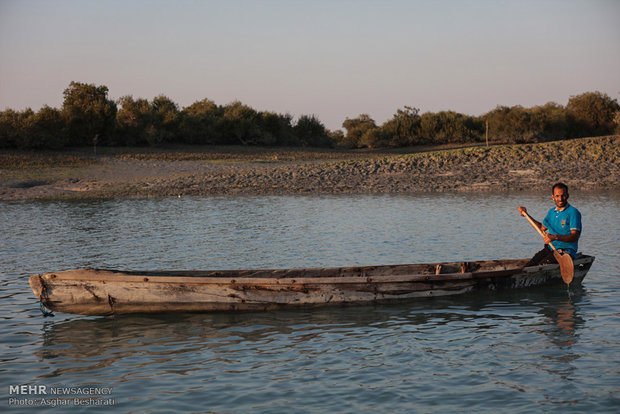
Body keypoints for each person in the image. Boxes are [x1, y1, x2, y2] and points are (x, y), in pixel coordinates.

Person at [518, 183, 582, 266]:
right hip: (551, 248)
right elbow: (541, 228)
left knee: (541, 266)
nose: (560, 199)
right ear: (553, 197)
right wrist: (527, 214)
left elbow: (575, 236)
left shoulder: (573, 212)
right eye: (557, 196)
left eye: (563, 195)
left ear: (567, 195)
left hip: (565, 251)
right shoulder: (551, 212)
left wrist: (555, 237)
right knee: (530, 265)